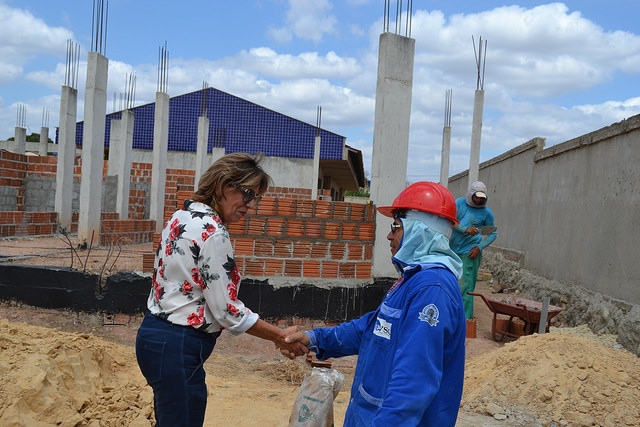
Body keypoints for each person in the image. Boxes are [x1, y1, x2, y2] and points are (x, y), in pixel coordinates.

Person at [135, 152, 308, 426]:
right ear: (223, 185)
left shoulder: (181, 216)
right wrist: (279, 336)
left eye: (255, 198)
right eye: (248, 194)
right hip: (178, 345)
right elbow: (227, 311)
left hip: (154, 339)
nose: (250, 206)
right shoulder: (213, 232)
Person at [282, 181, 466, 427]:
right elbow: (371, 328)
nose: (389, 235)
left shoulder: (432, 289)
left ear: (419, 231)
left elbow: (413, 381)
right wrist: (313, 339)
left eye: (396, 226)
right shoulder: (413, 280)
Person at [449, 180, 498, 320]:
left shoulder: (487, 213)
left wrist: (479, 247)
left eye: (482, 198)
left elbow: (493, 233)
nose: (479, 200)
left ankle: (465, 320)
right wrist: (465, 229)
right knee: (451, 283)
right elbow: (451, 220)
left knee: (466, 287)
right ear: (471, 195)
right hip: (452, 250)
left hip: (470, 253)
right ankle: (451, 316)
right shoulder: (459, 204)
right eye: (477, 197)